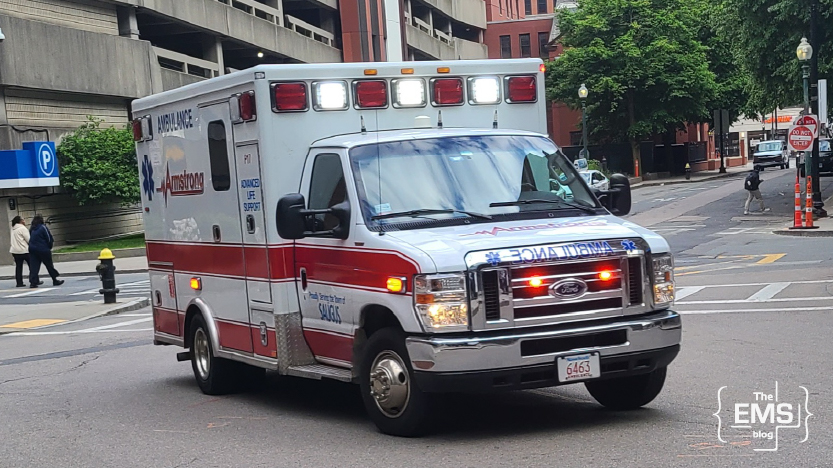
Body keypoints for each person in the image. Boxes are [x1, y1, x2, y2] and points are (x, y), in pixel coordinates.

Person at [28, 215, 64, 288]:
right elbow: (48, 238)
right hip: (43, 249)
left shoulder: (32, 228)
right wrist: (49, 246)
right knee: (49, 265)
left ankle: (33, 282)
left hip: (33, 249)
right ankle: (54, 279)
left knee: (34, 267)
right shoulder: (43, 227)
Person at [9, 216, 30, 287]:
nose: (24, 221)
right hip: (24, 250)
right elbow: (28, 239)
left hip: (15, 251)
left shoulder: (13, 228)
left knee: (18, 267)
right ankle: (34, 280)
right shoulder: (23, 228)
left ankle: (19, 282)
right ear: (20, 221)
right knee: (32, 266)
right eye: (23, 220)